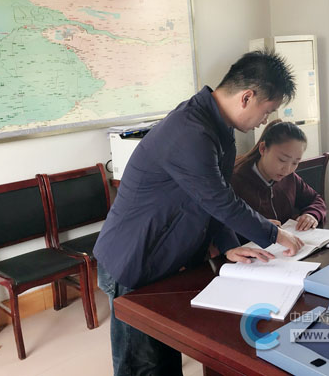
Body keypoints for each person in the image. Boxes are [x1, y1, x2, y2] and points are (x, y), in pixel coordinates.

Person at [93, 49, 305, 375]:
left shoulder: (218, 128)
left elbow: (210, 197)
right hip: (134, 257)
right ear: (247, 97)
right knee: (143, 365)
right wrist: (274, 233)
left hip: (165, 258)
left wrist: (229, 244)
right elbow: (219, 200)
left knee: (164, 355)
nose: (265, 121)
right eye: (267, 111)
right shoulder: (189, 130)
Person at [232, 119, 326, 241]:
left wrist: (311, 214)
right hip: (251, 249)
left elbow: (315, 199)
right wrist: (257, 226)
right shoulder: (236, 180)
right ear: (263, 148)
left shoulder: (290, 177)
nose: (287, 169)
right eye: (282, 160)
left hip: (285, 246)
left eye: (295, 163)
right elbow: (222, 228)